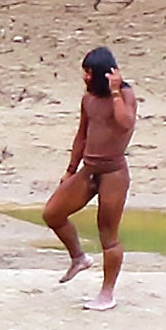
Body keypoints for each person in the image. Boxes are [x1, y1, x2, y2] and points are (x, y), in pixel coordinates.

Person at [43, 47, 138, 311]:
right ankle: (79, 258)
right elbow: (82, 135)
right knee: (53, 213)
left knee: (108, 235)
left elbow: (125, 123)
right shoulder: (88, 99)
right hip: (90, 168)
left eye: (89, 73)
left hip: (113, 172)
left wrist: (116, 91)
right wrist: (70, 170)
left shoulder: (125, 95)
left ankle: (107, 293)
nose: (85, 77)